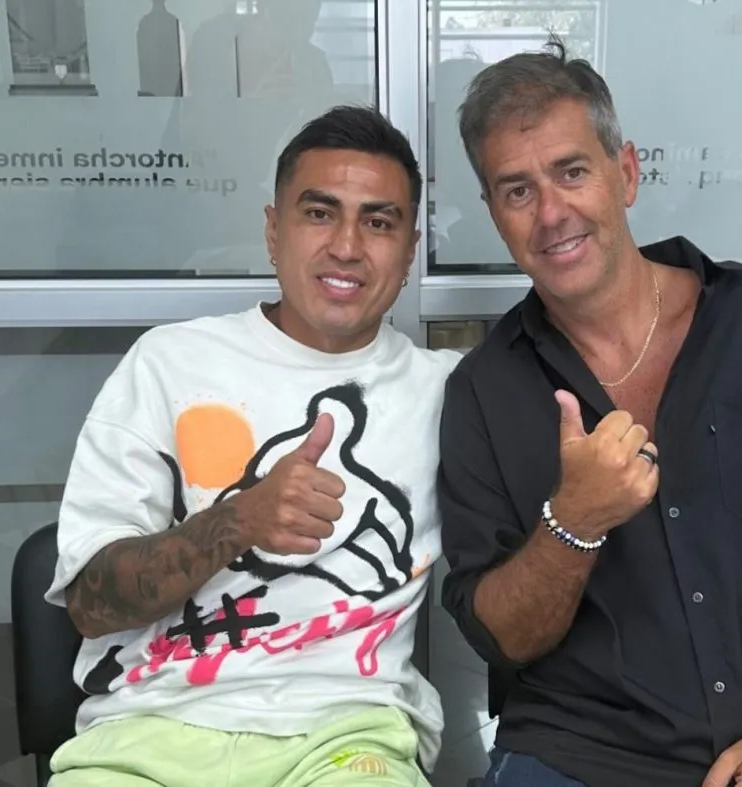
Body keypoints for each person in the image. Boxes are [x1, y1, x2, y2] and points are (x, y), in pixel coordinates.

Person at [437, 39, 742, 787]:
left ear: (624, 173)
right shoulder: (482, 392)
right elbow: (502, 635)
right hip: (582, 756)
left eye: (571, 171)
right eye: (517, 190)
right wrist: (574, 521)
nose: (552, 212)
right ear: (495, 214)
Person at [44, 105, 459, 787]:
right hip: (150, 732)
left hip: (348, 733)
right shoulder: (169, 363)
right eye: (319, 213)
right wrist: (239, 519)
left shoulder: (446, 393)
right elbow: (91, 602)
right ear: (274, 231)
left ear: (410, 249)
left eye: (378, 222)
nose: (348, 246)